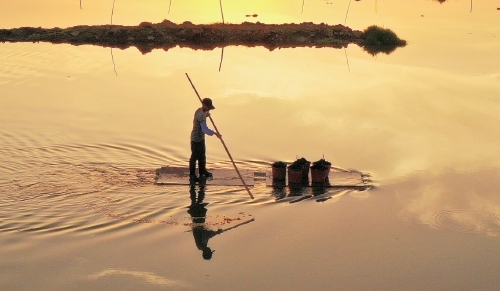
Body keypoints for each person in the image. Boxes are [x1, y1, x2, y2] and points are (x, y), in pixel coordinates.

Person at [189, 98, 221, 182]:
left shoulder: (200, 111)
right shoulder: (200, 115)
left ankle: (202, 171)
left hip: (201, 138)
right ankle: (192, 175)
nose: (209, 109)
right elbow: (204, 129)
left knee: (202, 156)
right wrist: (215, 133)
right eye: (208, 107)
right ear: (204, 105)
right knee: (194, 157)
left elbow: (202, 115)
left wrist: (206, 115)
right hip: (196, 139)